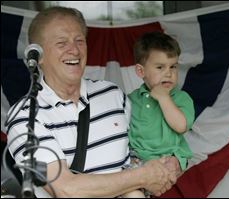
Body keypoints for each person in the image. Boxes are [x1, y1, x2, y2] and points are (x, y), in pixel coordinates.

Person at [5, 7, 179, 198]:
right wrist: (142, 177)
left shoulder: (113, 95)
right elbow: (66, 189)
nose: (75, 50)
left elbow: (140, 149)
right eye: (62, 43)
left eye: (80, 41)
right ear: (39, 56)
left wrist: (168, 165)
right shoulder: (24, 117)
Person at [127, 32, 195, 181]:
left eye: (173, 67)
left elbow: (181, 126)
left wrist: (164, 98)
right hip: (135, 159)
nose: (169, 74)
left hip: (168, 159)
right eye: (160, 67)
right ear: (141, 71)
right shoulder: (131, 100)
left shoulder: (182, 98)